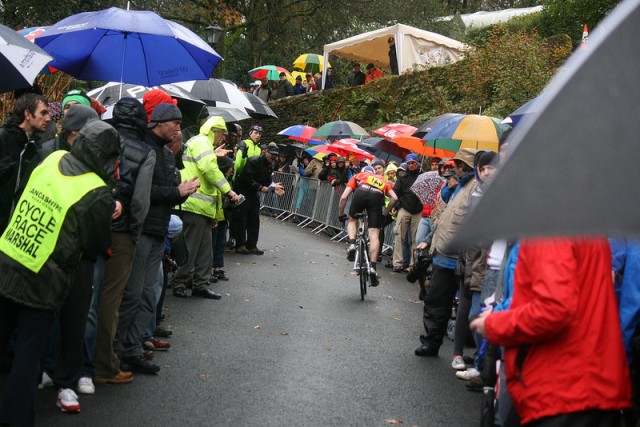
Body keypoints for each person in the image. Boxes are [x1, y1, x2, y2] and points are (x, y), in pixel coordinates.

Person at [0, 120, 119, 426]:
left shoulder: (51, 158)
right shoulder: (96, 190)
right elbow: (97, 244)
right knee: (28, 354)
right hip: (42, 278)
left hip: (9, 257)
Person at [471, 238, 632, 426]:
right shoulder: (586, 226)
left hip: (562, 385)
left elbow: (553, 308)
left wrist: (494, 324)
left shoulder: (550, 232)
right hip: (592, 381)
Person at [114, 103, 199, 374]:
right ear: (160, 122)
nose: (178, 128)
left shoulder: (163, 152)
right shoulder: (144, 148)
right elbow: (145, 192)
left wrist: (179, 191)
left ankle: (135, 347)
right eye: (175, 123)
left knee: (148, 293)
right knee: (134, 293)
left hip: (158, 229)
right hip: (141, 230)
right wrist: (177, 191)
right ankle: (120, 350)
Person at [92, 97, 156, 387]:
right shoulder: (146, 151)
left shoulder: (96, 137)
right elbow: (141, 200)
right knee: (111, 298)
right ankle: (104, 363)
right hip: (121, 230)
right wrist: (134, 229)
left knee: (84, 293)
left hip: (89, 222)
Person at [414, 148, 477, 357]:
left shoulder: (475, 188)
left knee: (465, 307)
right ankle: (431, 342)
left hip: (462, 258)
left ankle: (465, 351)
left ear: (464, 167)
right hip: (443, 255)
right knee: (435, 301)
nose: (453, 169)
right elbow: (444, 221)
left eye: (456, 166)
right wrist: (429, 240)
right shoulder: (456, 187)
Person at [171, 115, 239, 299]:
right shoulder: (202, 143)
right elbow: (209, 169)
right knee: (193, 247)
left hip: (200, 206)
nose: (222, 138)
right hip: (196, 205)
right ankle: (181, 281)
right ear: (214, 131)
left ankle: (200, 283)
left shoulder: (200, 143)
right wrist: (229, 191)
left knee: (204, 249)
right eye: (222, 134)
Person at [338, 166, 398, 287]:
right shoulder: (382, 179)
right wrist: (385, 214)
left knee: (352, 221)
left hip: (360, 193)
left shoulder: (358, 176)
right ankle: (373, 267)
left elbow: (344, 197)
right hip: (376, 197)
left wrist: (340, 214)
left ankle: (352, 244)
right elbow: (395, 198)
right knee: (374, 234)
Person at [0, 92, 51, 232]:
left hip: (15, 232)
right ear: (28, 114)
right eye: (43, 113)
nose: (48, 119)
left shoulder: (34, 147)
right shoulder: (3, 139)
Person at [232, 142, 285, 255]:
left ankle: (251, 245)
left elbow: (267, 182)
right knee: (241, 217)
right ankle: (240, 244)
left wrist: (273, 187)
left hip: (253, 193)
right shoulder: (254, 161)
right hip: (242, 192)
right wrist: (261, 187)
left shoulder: (269, 166)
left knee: (254, 219)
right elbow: (247, 178)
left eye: (275, 155)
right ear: (265, 152)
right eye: (272, 154)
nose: (273, 157)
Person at [391, 154, 422, 273]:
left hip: (418, 210)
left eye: (413, 163)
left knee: (416, 238)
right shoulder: (402, 178)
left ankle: (413, 264)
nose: (411, 165)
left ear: (418, 164)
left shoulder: (422, 177)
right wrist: (396, 206)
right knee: (399, 235)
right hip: (404, 207)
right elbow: (396, 193)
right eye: (409, 163)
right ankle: (397, 263)